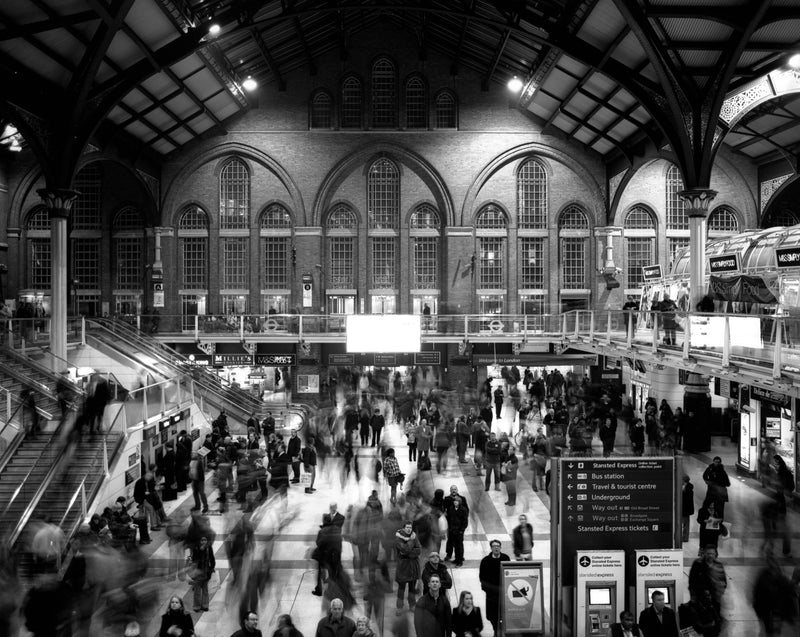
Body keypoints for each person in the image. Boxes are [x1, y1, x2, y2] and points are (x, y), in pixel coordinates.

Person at [479, 540, 510, 636]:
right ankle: (496, 630)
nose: (496, 548)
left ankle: (501, 630)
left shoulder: (505, 558)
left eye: (498, 546)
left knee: (503, 614)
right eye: (494, 546)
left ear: (500, 547)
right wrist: (486, 589)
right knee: (492, 615)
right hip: (491, 594)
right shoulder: (485, 561)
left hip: (503, 593)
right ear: (491, 548)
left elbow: (510, 573)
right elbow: (482, 577)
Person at [688, 545, 727, 615]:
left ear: (715, 554)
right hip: (701, 598)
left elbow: (723, 581)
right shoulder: (697, 564)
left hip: (715, 598)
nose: (710, 556)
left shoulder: (719, 565)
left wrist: (720, 592)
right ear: (704, 554)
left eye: (712, 554)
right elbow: (692, 581)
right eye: (708, 553)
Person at [395, 521, 422, 614]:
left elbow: (419, 550)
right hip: (403, 567)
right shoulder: (399, 538)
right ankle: (399, 607)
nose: (409, 529)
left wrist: (407, 553)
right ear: (403, 528)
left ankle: (412, 605)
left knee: (412, 589)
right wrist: (411, 541)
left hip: (412, 567)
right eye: (407, 527)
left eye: (410, 527)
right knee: (401, 589)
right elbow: (404, 549)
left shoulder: (414, 536)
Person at [188, 536, 215, 612]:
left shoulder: (209, 548)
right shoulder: (196, 548)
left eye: (205, 540)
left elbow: (212, 558)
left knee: (205, 589)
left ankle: (205, 605)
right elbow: (194, 559)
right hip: (197, 572)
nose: (203, 542)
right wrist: (200, 550)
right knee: (197, 590)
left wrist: (212, 567)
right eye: (202, 540)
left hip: (206, 571)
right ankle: (196, 606)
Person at [444, 495, 468, 567]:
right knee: (454, 545)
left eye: (456, 501)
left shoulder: (463, 510)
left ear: (459, 502)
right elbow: (449, 518)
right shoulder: (451, 508)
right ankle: (456, 559)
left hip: (459, 531)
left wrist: (461, 530)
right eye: (454, 501)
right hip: (452, 530)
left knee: (459, 546)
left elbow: (465, 521)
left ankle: (459, 561)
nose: (455, 502)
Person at [681, 475, 694, 543]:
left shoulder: (688, 489)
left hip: (685, 509)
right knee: (685, 524)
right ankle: (683, 537)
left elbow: (686, 500)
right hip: (684, 509)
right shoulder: (688, 488)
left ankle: (685, 538)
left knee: (685, 525)